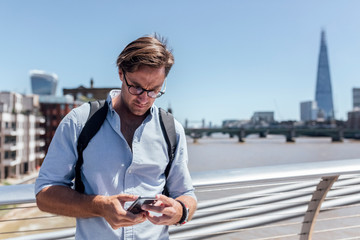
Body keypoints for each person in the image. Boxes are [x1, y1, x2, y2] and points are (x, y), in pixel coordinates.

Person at [35, 34, 197, 240]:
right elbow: (44, 195)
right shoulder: (79, 122)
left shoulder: (172, 130)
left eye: (154, 90)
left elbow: (187, 195)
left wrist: (180, 211)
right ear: (121, 73)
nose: (144, 98)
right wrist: (100, 206)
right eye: (136, 87)